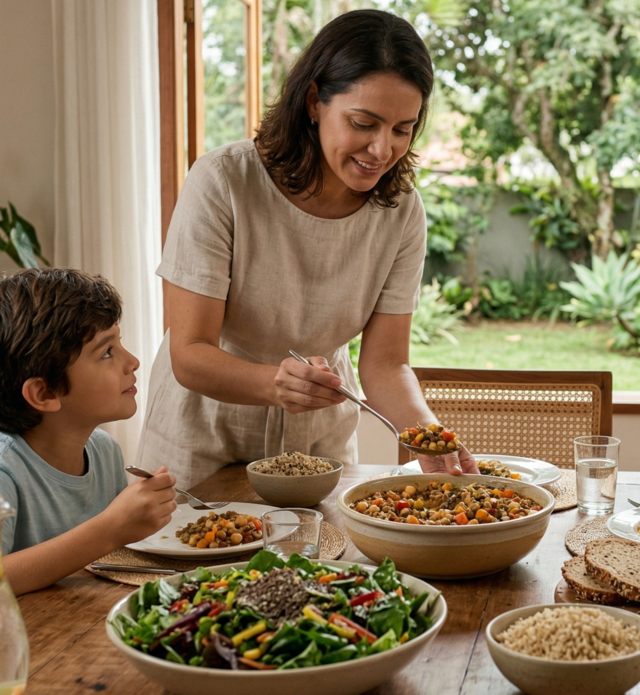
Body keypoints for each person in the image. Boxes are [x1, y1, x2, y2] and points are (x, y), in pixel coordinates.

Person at [137, 9, 478, 488]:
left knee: (321, 562)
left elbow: (384, 364)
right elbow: (189, 352)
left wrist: (428, 435)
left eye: (403, 129)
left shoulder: (401, 211)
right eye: (364, 123)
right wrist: (274, 383)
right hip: (201, 438)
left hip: (317, 444)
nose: (382, 150)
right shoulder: (223, 181)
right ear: (315, 102)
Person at [0, 269, 178, 595]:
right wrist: (110, 529)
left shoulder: (102, 450)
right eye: (107, 352)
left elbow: (109, 563)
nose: (134, 362)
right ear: (45, 394)